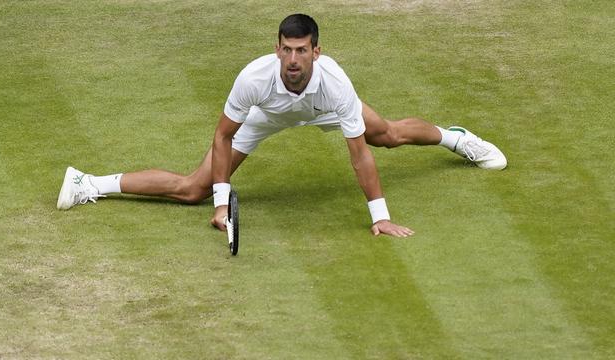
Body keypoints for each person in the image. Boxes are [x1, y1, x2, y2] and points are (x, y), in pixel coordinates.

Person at [57, 14, 506, 238]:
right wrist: (219, 203)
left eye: (302, 50)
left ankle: (457, 139)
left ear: (316, 51)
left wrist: (380, 218)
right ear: (277, 50)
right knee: (192, 189)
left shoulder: (335, 84)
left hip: (321, 109)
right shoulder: (253, 77)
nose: (293, 59)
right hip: (263, 116)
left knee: (384, 134)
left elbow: (359, 153)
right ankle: (88, 183)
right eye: (287, 50)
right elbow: (223, 134)